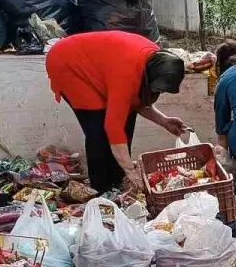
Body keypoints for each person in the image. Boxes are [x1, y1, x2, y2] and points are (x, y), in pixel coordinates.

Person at [45, 31, 187, 193]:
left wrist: (164, 121)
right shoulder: (127, 73)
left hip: (101, 66)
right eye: (157, 89)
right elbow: (113, 126)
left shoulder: (157, 62)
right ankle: (101, 188)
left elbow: (134, 102)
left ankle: (117, 181)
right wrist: (130, 170)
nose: (158, 93)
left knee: (125, 119)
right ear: (148, 77)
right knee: (98, 130)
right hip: (68, 63)